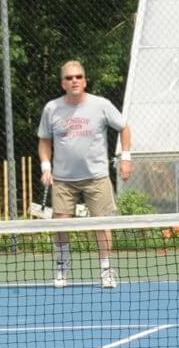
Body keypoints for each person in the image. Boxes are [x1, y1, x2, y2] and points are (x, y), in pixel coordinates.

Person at [36, 59, 132, 288]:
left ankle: (106, 270)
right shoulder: (52, 108)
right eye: (69, 78)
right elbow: (44, 141)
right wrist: (46, 167)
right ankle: (62, 267)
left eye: (78, 76)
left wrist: (125, 158)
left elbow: (124, 128)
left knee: (102, 224)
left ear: (85, 81)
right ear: (63, 84)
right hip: (63, 179)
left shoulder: (101, 105)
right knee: (59, 225)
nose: (74, 81)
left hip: (97, 177)